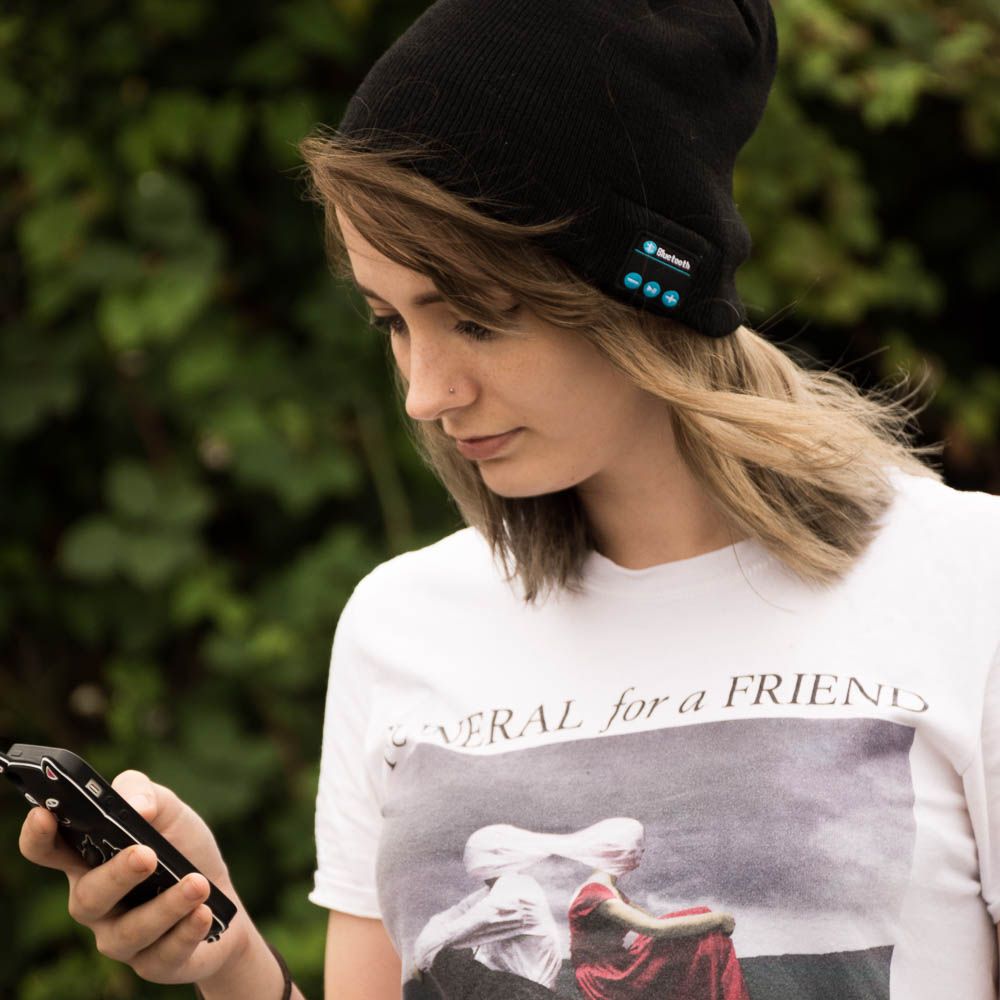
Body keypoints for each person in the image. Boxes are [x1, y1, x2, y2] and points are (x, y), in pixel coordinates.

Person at [16, 2, 1000, 1000]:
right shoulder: (402, 624)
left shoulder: (966, 586)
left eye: (477, 320)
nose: (423, 392)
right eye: (392, 322)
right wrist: (227, 958)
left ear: (640, 290)